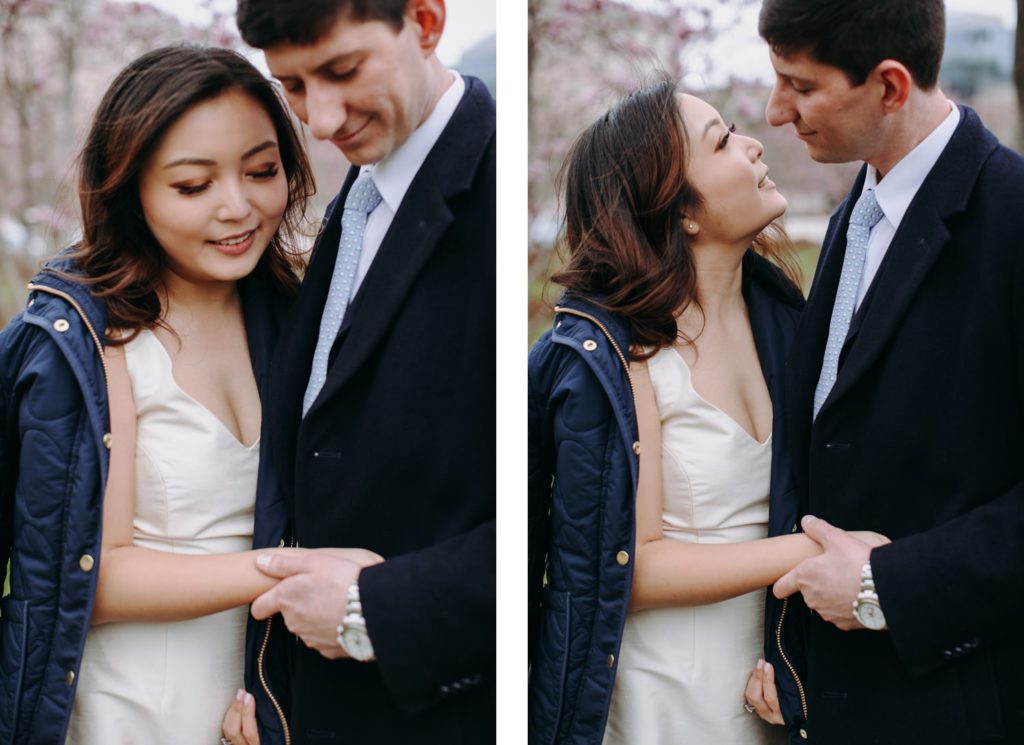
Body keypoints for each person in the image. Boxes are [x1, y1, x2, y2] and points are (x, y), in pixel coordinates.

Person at [0, 44, 380, 743]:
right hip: (124, 706)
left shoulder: (296, 317)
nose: (237, 207)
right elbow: (88, 575)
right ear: (131, 192)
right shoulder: (87, 335)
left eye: (261, 171)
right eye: (191, 185)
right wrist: (294, 572)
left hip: (253, 706)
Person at [527, 79, 887, 745]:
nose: (753, 145)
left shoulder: (786, 318)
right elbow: (630, 564)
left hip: (768, 689)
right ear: (679, 209)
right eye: (721, 141)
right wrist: (819, 551)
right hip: (660, 697)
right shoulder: (616, 350)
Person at [744, 1, 1024, 742]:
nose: (777, 112)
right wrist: (789, 650)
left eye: (800, 86)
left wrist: (884, 587)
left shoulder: (1012, 216)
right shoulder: (854, 215)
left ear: (891, 86)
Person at [221, 1, 496, 744]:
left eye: (342, 71)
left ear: (426, 20)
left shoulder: (499, 194)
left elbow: (567, 511)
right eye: (293, 85)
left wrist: (379, 607)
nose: (320, 118)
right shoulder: (360, 199)